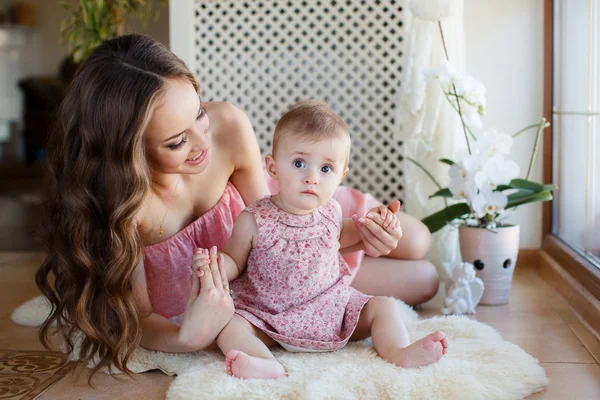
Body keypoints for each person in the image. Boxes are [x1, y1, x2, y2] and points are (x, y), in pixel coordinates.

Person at [35, 34, 438, 379]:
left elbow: (270, 212)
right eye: (177, 142)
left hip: (295, 216)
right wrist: (187, 338)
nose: (202, 143)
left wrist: (357, 237)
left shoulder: (226, 124)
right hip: (260, 287)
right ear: (127, 153)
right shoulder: (121, 209)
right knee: (424, 280)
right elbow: (138, 322)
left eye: (199, 115)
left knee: (416, 241)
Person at [191, 101, 448, 379]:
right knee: (231, 327)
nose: (311, 178)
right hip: (268, 316)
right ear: (273, 167)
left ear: (341, 175)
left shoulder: (332, 212)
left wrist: (377, 223)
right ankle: (265, 363)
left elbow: (353, 233)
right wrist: (215, 266)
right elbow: (234, 261)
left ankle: (399, 350)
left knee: (383, 306)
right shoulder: (254, 219)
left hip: (331, 311)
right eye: (299, 163)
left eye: (326, 169)